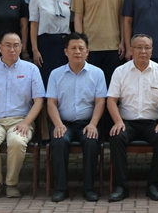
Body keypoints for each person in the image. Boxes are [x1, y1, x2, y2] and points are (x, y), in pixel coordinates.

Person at [0, 31, 44, 198]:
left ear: (21, 48)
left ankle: (11, 183)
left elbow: (39, 100)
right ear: (0, 48)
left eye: (16, 45)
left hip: (20, 120)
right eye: (8, 45)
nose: (12, 49)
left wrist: (26, 123)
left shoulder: (31, 69)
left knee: (17, 141)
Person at [107, 34, 158, 202]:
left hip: (152, 123)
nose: (143, 51)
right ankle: (121, 187)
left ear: (152, 50)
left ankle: (154, 185)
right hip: (127, 123)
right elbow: (111, 100)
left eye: (147, 48)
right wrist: (118, 121)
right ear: (131, 50)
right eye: (139, 47)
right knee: (116, 137)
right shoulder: (120, 71)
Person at [46, 32, 106, 202]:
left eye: (81, 48)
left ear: (87, 52)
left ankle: (88, 188)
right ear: (66, 51)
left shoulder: (97, 73)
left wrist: (93, 124)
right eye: (73, 48)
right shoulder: (56, 74)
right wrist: (58, 124)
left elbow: (100, 102)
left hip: (88, 123)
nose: (77, 52)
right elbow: (51, 103)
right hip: (64, 123)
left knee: (91, 141)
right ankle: (61, 188)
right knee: (59, 141)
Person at [72, 0, 126, 84]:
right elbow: (78, 18)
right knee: (91, 86)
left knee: (112, 86)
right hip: (91, 46)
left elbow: (122, 17)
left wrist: (123, 42)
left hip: (114, 46)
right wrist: (81, 45)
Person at [29, 0, 73, 86]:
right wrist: (35, 50)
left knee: (65, 79)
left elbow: (74, 21)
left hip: (65, 42)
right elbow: (34, 24)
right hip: (46, 43)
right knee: (47, 79)